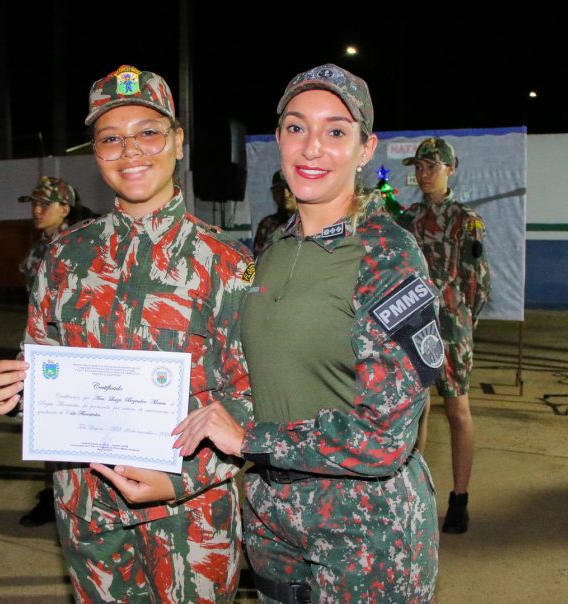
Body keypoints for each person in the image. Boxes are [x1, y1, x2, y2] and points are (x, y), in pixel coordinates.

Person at [0, 64, 254, 602]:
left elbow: (253, 398)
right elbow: (45, 368)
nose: (131, 151)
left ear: (178, 141)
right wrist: (12, 392)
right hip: (87, 510)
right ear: (95, 153)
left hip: (190, 518)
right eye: (110, 138)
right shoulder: (63, 256)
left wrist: (179, 482)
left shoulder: (227, 263)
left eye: (148, 132)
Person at [173, 64, 440, 602]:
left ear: (366, 148)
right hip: (274, 520)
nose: (312, 147)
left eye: (336, 131)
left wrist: (250, 440)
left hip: (367, 531)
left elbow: (386, 438)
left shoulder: (388, 255)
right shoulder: (268, 254)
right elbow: (241, 370)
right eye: (296, 128)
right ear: (277, 140)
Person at [398, 137, 491, 534]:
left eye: (431, 167)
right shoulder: (407, 217)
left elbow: (479, 280)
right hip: (413, 322)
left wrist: (462, 320)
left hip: (452, 324)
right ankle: (410, 491)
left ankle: (459, 498)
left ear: (450, 169)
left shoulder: (465, 218)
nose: (423, 174)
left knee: (457, 410)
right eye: (419, 167)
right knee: (414, 408)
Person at [15, 175, 77, 527]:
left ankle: (70, 496)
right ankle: (52, 494)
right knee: (45, 429)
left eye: (45, 204)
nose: (37, 210)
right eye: (34, 204)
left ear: (64, 209)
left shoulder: (76, 245)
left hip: (68, 352)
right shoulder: (40, 246)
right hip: (40, 347)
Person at [252, 169, 297, 257]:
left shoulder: (310, 223)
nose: (286, 194)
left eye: (289, 188)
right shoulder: (267, 225)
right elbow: (259, 260)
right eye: (280, 189)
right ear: (273, 194)